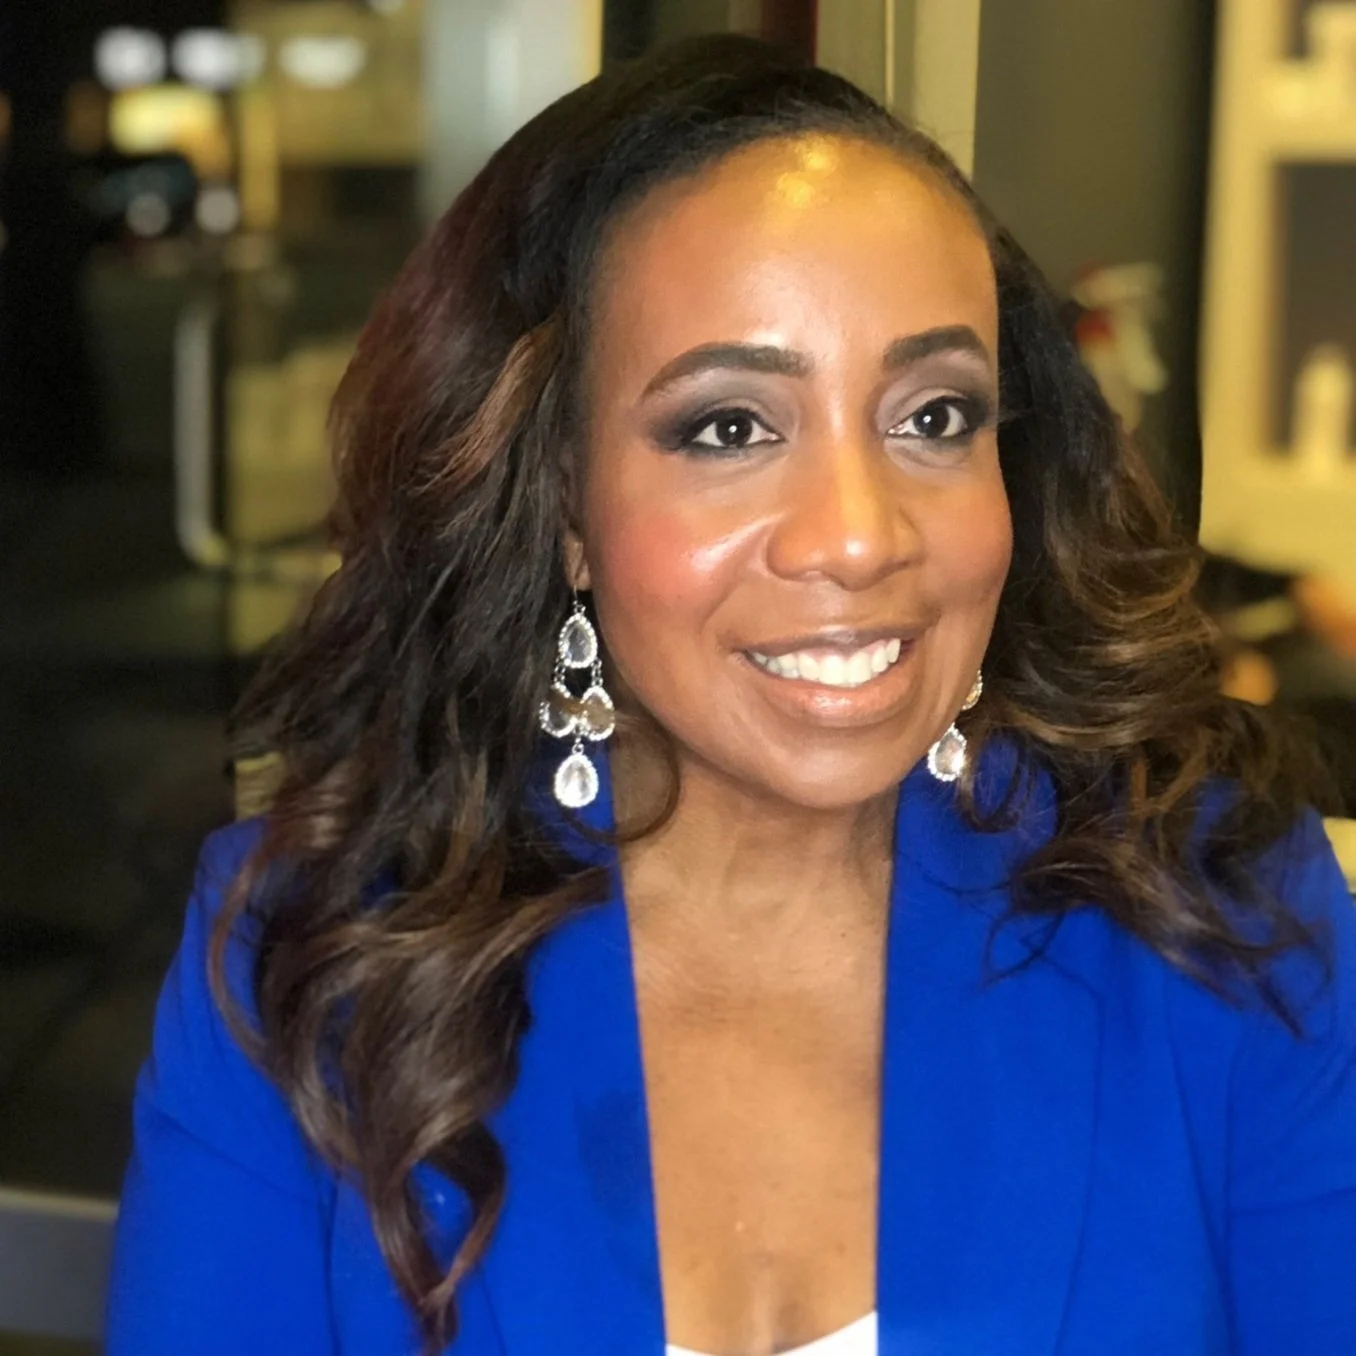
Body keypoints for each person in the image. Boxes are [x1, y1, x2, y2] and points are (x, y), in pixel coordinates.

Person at [105, 35, 1356, 1356]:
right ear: (566, 507)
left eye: (934, 417)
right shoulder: (309, 954)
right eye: (729, 428)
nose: (858, 537)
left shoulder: (1225, 919)